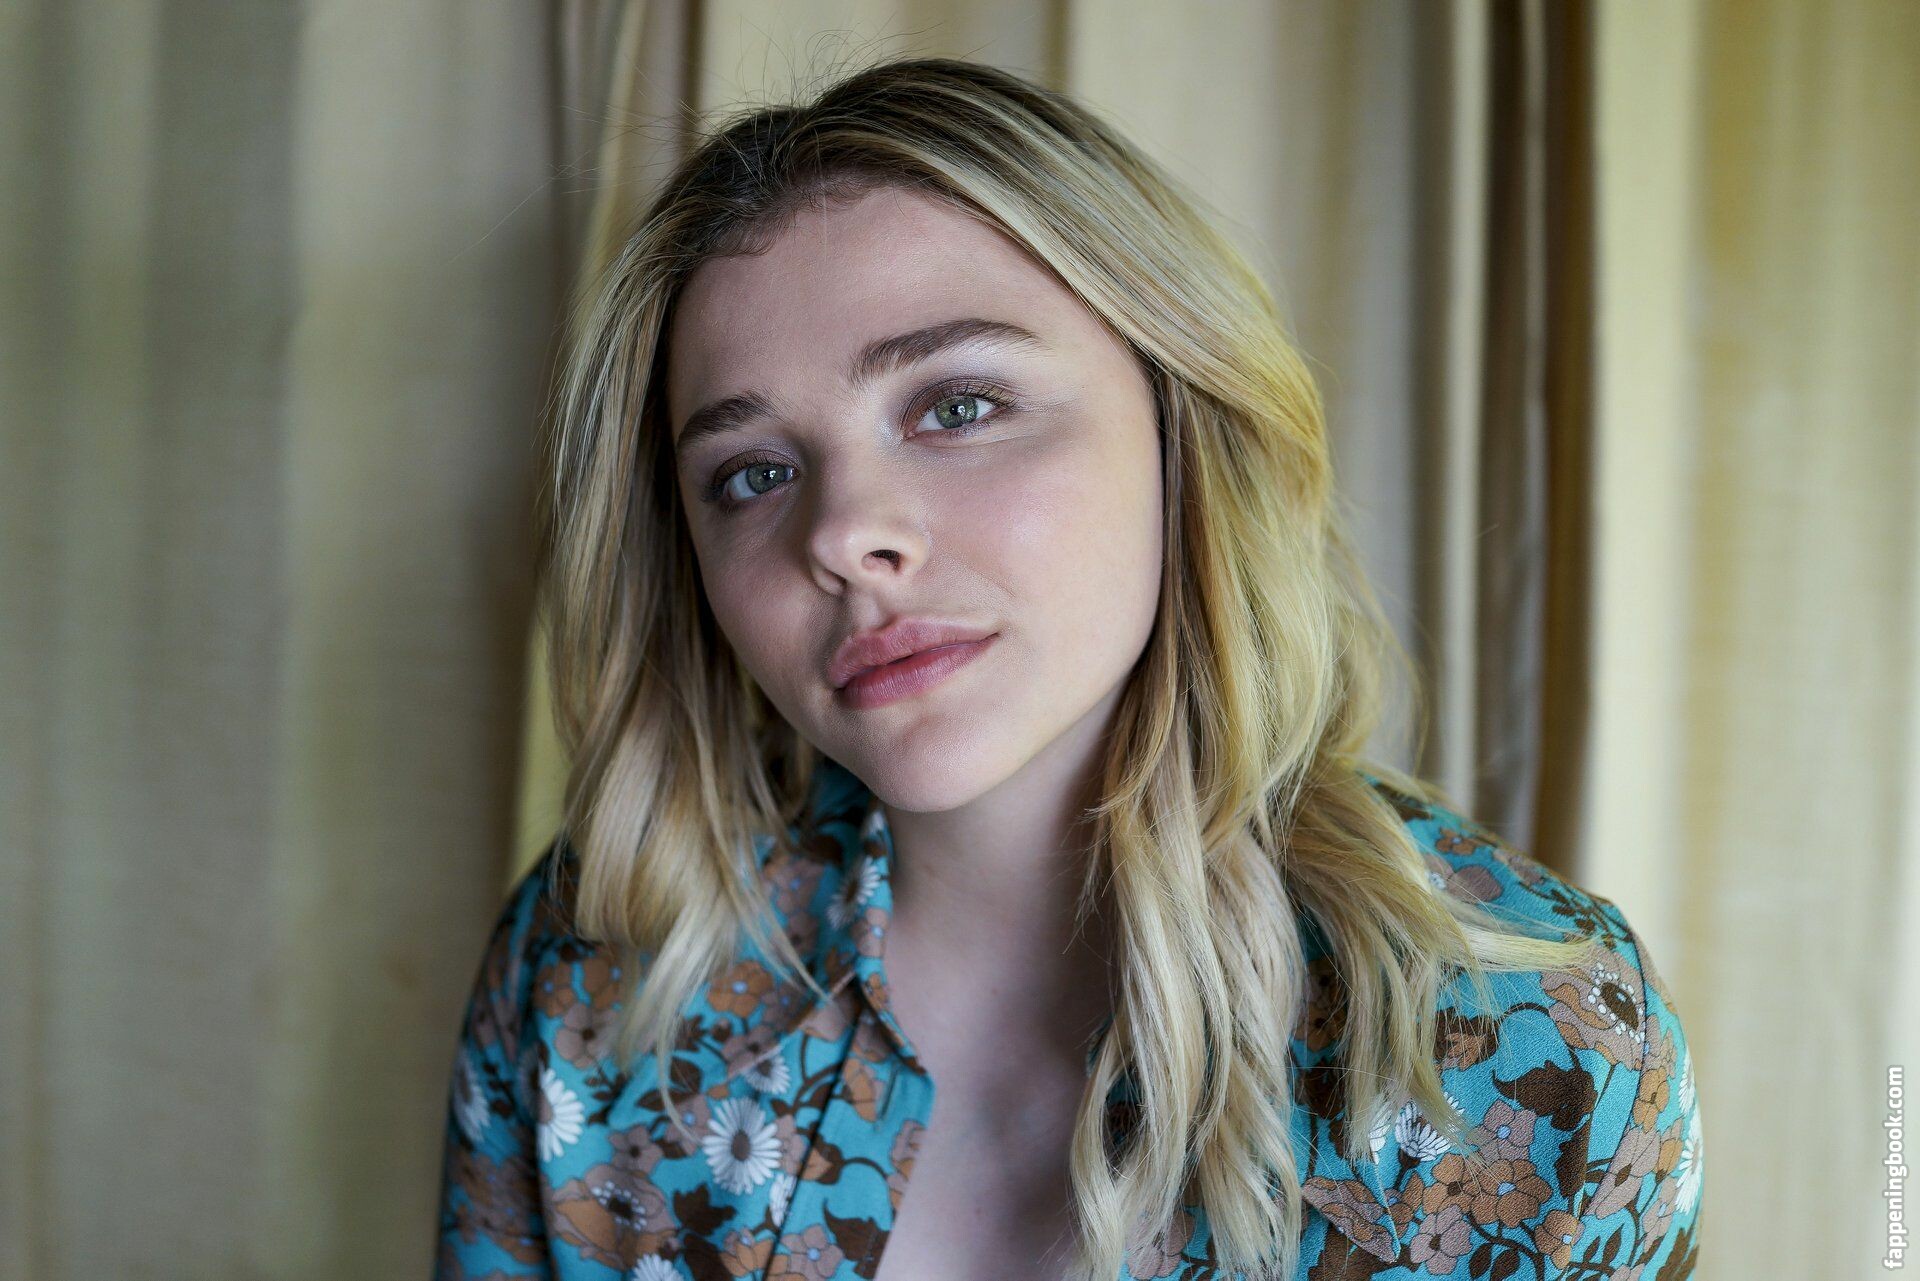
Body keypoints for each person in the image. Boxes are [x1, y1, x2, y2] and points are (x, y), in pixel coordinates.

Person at [434, 55, 1702, 1281]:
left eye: (957, 406)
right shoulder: (594, 980)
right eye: (752, 474)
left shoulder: (1540, 1055)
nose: (843, 535)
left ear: (1182, 420)